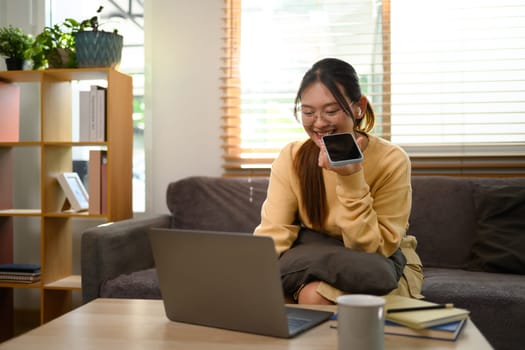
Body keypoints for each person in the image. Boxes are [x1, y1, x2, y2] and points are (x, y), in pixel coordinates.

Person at [254, 58, 423, 304]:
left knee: (314, 298)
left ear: (359, 107)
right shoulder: (292, 157)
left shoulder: (391, 159)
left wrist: (351, 178)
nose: (319, 123)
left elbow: (373, 249)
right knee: (269, 299)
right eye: (308, 112)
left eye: (331, 111)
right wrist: (252, 275)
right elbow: (275, 233)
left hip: (378, 260)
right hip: (317, 258)